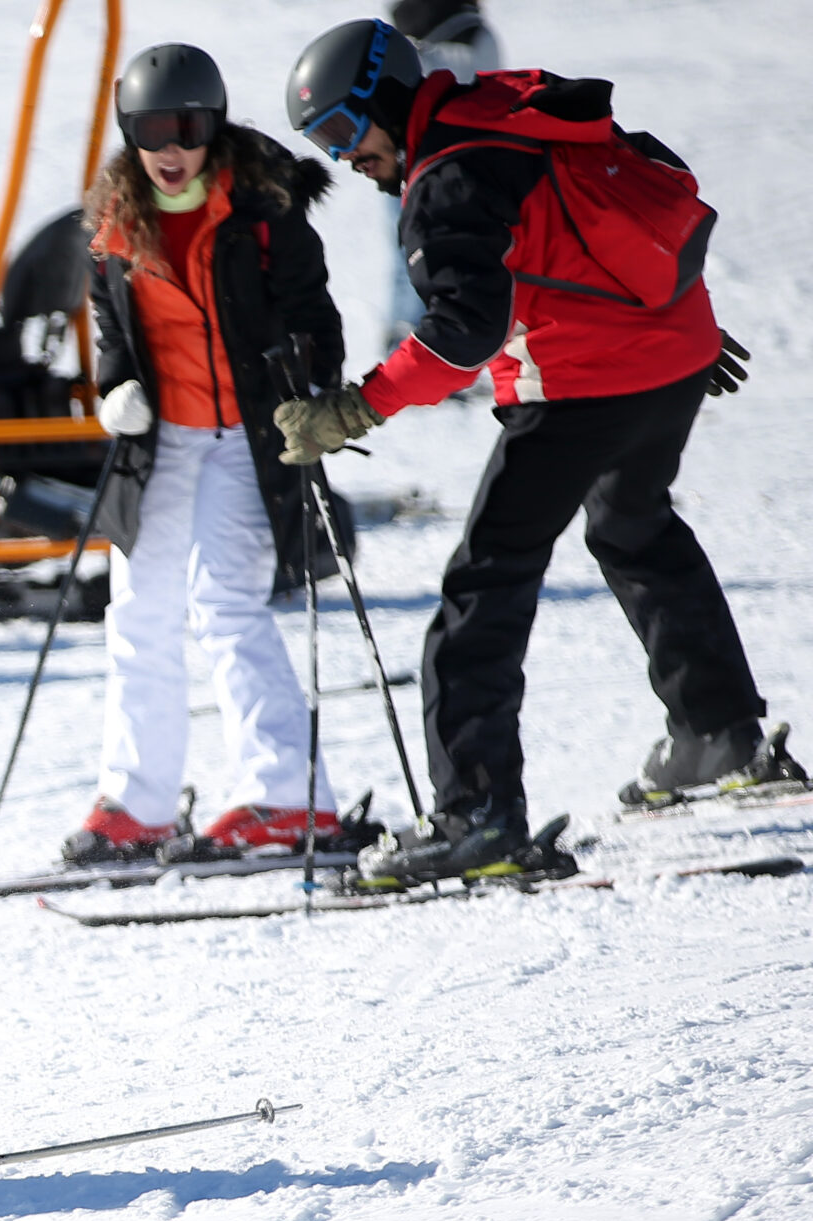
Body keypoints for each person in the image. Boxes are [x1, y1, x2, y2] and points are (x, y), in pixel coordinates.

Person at [277, 20, 792, 885]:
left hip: (586, 381)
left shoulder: (446, 177)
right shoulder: (507, 109)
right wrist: (678, 324)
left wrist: (357, 408)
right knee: (632, 524)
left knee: (485, 583)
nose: (343, 158)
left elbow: (462, 333)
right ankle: (718, 733)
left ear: (384, 97)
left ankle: (475, 813)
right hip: (668, 358)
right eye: (320, 144)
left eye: (340, 130)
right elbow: (618, 208)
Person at [68, 44, 352, 865]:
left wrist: (310, 387)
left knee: (226, 606)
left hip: (245, 440)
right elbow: (112, 330)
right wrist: (116, 388)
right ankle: (137, 804)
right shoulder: (114, 223)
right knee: (136, 615)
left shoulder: (261, 208)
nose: (170, 148)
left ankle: (287, 798)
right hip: (160, 443)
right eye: (152, 129)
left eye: (187, 129)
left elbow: (314, 316)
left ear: (213, 128)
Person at [380, 0, 503, 352]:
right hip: (447, 163)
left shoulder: (412, 42)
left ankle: (414, 344)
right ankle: (417, 344)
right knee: (423, 254)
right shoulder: (475, 34)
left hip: (418, 158)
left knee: (415, 252)